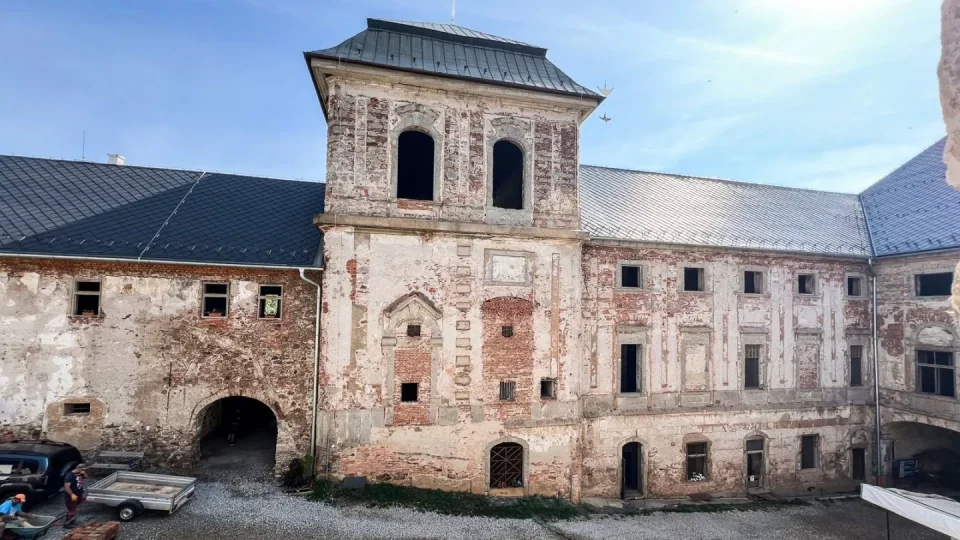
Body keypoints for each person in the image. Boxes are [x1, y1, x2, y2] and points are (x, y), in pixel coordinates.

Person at [63, 463, 87, 529]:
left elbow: (86, 477)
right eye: (83, 469)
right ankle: (67, 524)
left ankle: (72, 521)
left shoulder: (80, 473)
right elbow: (67, 487)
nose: (84, 470)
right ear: (78, 468)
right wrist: (72, 494)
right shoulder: (69, 476)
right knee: (71, 509)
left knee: (74, 508)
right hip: (71, 496)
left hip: (78, 494)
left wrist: (84, 473)